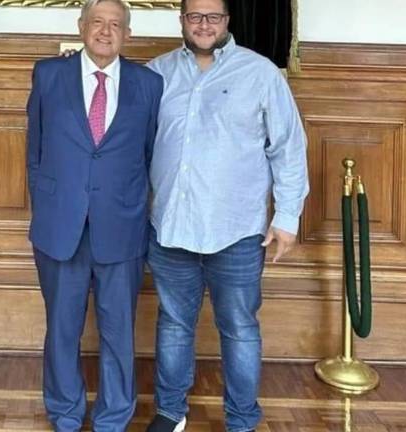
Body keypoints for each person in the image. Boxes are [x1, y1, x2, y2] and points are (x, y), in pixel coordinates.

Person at [144, 0, 309, 430]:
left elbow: (288, 147)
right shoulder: (156, 73)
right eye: (195, 16)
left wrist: (287, 217)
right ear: (182, 20)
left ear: (227, 21)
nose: (204, 25)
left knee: (239, 329)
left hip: (236, 231)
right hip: (170, 227)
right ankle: (170, 412)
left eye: (213, 17)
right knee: (173, 325)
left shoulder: (260, 73)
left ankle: (241, 420)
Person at [25, 0, 163, 429]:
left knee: (119, 330)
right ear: (81, 26)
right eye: (98, 23)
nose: (106, 31)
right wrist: (49, 204)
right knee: (62, 329)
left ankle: (113, 418)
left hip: (121, 226)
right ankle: (65, 414)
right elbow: (35, 150)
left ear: (128, 34)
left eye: (116, 25)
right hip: (60, 226)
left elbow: (148, 154)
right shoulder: (49, 75)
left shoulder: (149, 84)